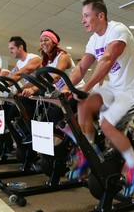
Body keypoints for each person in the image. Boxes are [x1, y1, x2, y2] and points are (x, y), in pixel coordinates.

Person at [66, 0, 134, 196]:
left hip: (132, 90)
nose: (83, 20)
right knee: (83, 106)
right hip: (114, 87)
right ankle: (89, 153)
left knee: (106, 125)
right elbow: (81, 67)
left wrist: (87, 86)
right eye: (82, 16)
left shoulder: (118, 31)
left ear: (100, 15)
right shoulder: (93, 40)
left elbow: (108, 59)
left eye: (86, 15)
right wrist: (65, 87)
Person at [21, 29, 86, 180]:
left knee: (51, 118)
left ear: (54, 42)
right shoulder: (47, 61)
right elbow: (41, 80)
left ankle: (65, 158)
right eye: (41, 40)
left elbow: (55, 76)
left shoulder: (63, 56)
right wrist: (24, 89)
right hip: (60, 96)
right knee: (47, 119)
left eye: (46, 40)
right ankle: (53, 158)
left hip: (76, 93)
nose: (43, 43)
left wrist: (33, 89)